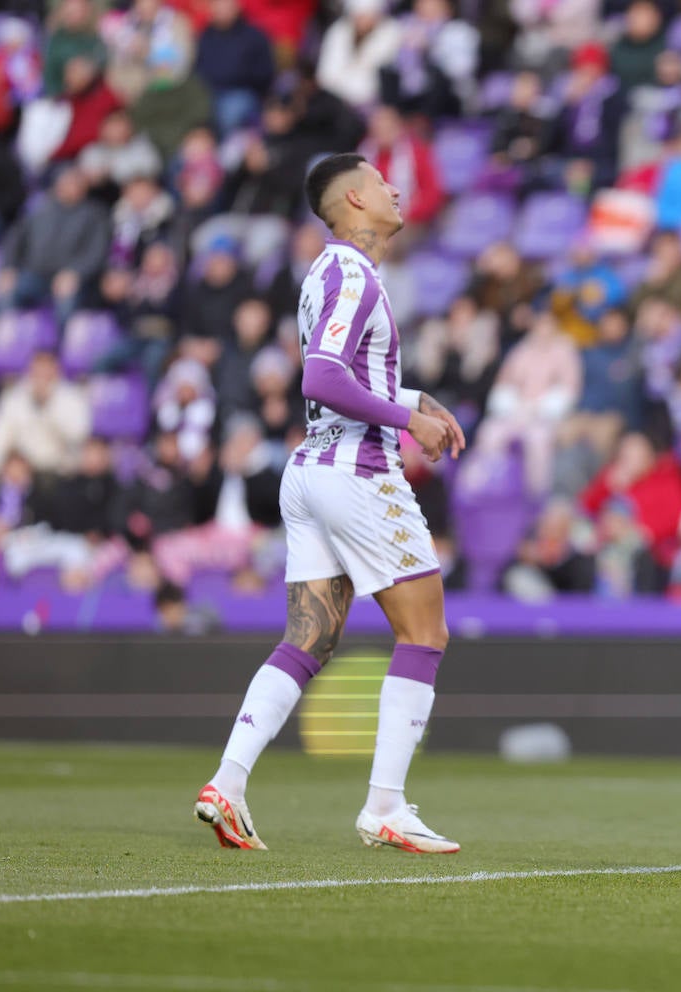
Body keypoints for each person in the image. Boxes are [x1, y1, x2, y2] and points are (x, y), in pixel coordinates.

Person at [193, 153, 467, 855]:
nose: (395, 188)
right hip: (358, 472)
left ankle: (227, 782)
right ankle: (386, 806)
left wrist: (415, 399)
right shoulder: (350, 272)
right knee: (424, 632)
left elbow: (338, 372)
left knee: (308, 639)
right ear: (353, 197)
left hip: (311, 469)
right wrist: (408, 423)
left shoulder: (327, 272)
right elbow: (322, 375)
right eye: (381, 181)